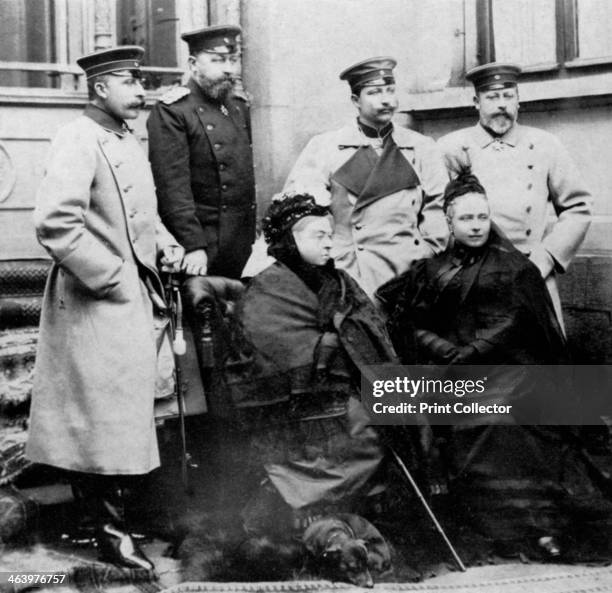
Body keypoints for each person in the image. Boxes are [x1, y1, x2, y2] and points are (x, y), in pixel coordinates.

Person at [376, 172, 609, 560]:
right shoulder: (431, 269)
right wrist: (443, 350)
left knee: (501, 419)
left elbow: (515, 321)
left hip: (509, 369)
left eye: (482, 217)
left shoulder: (514, 268)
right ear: (449, 222)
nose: (476, 225)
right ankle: (475, 520)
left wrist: (468, 354)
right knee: (394, 398)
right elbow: (408, 321)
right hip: (451, 370)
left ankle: (527, 526)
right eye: (466, 219)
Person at [26, 46, 184, 571]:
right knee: (97, 420)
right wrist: (114, 276)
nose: (142, 92)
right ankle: (109, 537)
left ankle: (119, 523)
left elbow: (136, 213)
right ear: (99, 88)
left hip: (130, 297)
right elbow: (55, 224)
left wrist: (164, 242)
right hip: (94, 299)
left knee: (124, 416)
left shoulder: (125, 137)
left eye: (141, 81)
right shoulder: (78, 137)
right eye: (129, 82)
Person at [224, 193, 398, 533]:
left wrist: (344, 342)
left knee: (385, 414)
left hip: (343, 381)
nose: (329, 245)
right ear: (291, 238)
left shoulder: (339, 281)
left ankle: (345, 513)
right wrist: (327, 346)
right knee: (358, 422)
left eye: (330, 236)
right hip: (293, 397)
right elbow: (270, 345)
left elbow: (366, 326)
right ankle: (316, 511)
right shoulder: (266, 289)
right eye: (318, 236)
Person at [437, 62, 592, 330]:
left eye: (508, 96)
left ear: (518, 100)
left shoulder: (545, 145)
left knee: (540, 361)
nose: (501, 104)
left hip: (531, 271)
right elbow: (435, 214)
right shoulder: (451, 148)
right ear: (476, 101)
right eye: (492, 97)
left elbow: (578, 207)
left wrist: (546, 257)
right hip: (473, 277)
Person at [283, 57, 449, 299]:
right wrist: (334, 258)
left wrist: (424, 253)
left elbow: (439, 207)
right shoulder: (325, 147)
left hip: (409, 271)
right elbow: (302, 211)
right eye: (374, 92)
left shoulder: (421, 147)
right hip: (349, 270)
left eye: (390, 90)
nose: (386, 100)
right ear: (355, 101)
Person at [147, 24, 256, 279]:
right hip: (203, 246)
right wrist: (193, 245)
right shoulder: (173, 111)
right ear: (193, 64)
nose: (229, 69)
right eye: (218, 60)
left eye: (233, 60)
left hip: (242, 242)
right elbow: (172, 188)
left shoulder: (238, 107)